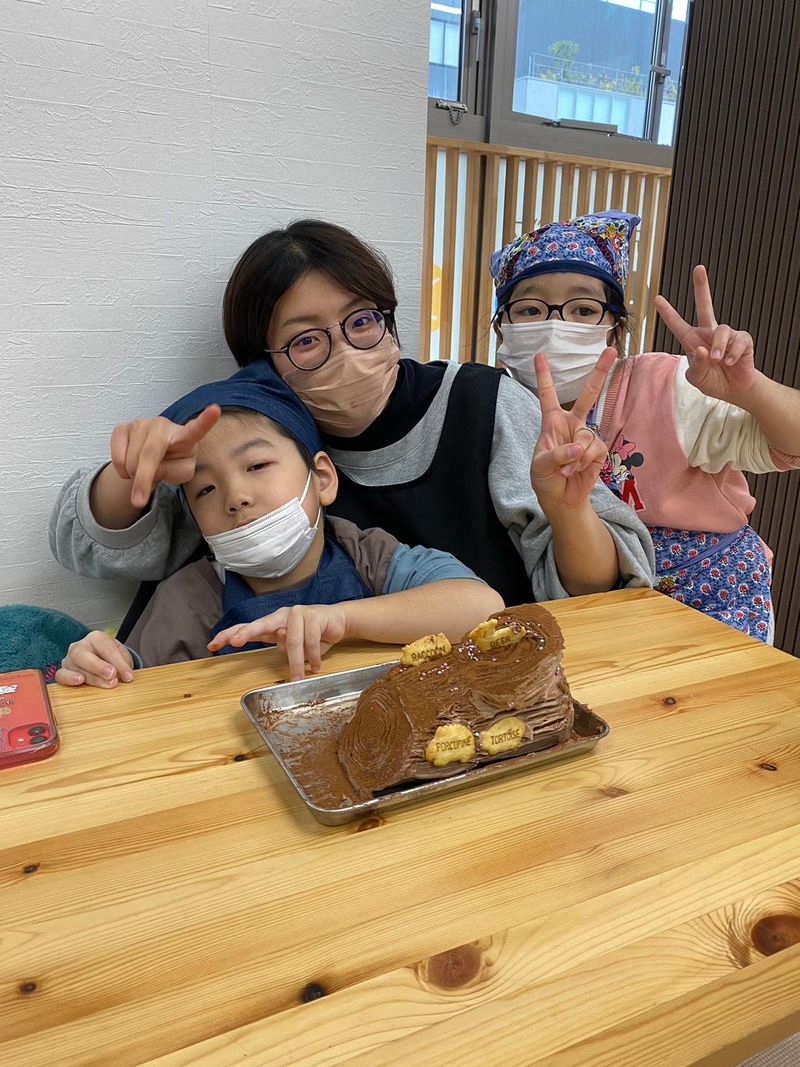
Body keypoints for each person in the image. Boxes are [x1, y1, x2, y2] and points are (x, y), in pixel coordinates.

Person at [50, 220, 654, 627]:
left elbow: (604, 599)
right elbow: (91, 548)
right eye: (306, 339)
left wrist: (569, 512)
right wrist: (128, 475)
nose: (345, 350)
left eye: (362, 321)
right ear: (263, 362)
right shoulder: (250, 440)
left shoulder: (483, 404)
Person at [55, 364, 504, 688]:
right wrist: (101, 664)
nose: (236, 497)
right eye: (205, 490)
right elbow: (137, 691)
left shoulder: (368, 556)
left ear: (322, 478)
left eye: (257, 465)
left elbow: (482, 607)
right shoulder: (190, 598)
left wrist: (342, 620)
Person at [490, 210, 800, 640]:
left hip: (715, 597)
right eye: (529, 309)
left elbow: (792, 445)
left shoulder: (667, 384)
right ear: (502, 330)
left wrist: (749, 389)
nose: (557, 325)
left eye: (584, 308)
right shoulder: (500, 411)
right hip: (601, 607)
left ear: (614, 329)